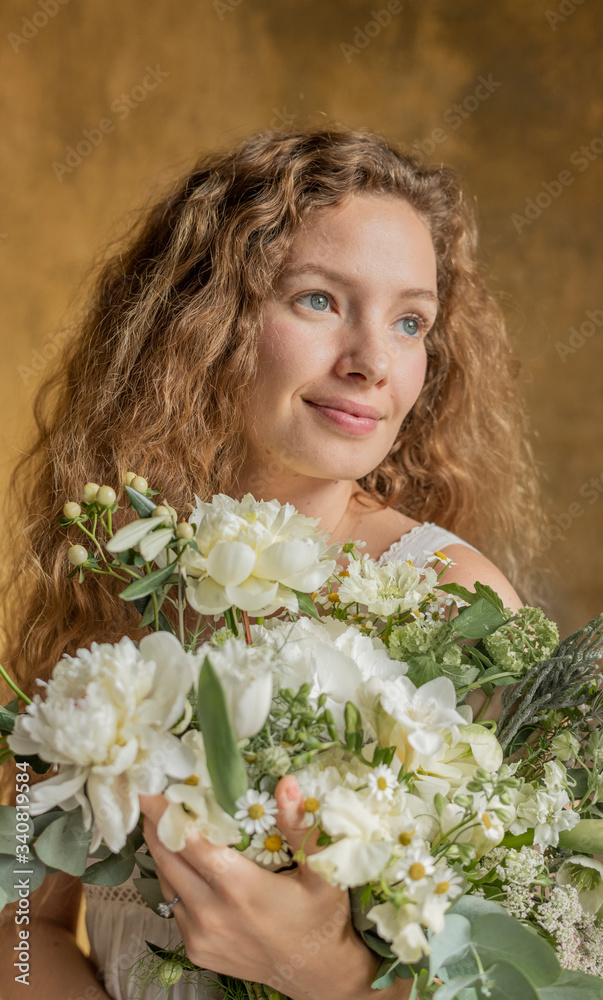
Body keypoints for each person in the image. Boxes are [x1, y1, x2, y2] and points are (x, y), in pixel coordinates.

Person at [0, 125, 541, 999]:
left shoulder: (455, 605)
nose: (372, 363)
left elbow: (518, 968)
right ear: (203, 318)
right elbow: (16, 925)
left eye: (410, 321)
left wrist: (325, 975)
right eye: (321, 301)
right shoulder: (111, 578)